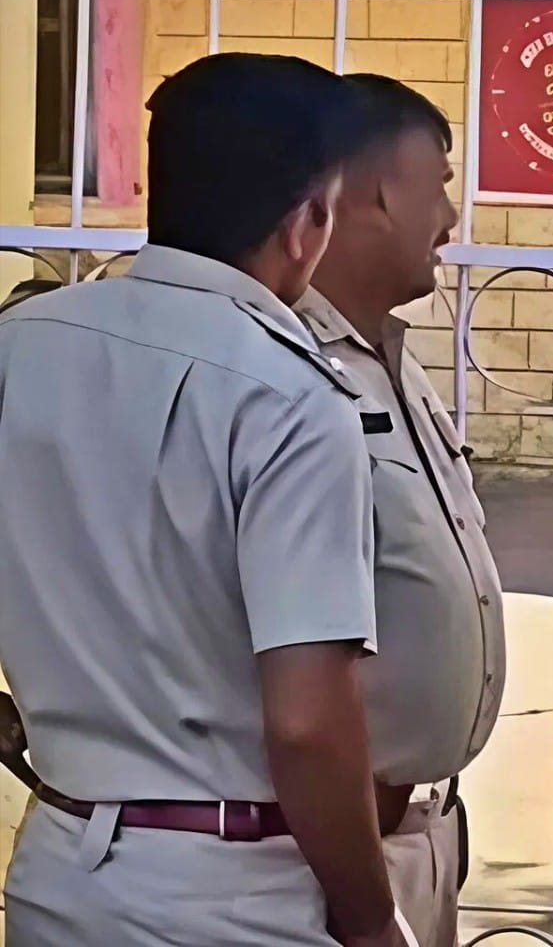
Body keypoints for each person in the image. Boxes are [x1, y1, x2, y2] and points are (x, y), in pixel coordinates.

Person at [0, 54, 404, 946]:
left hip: (59, 867)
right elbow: (307, 722)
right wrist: (373, 919)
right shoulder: (293, 397)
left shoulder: (20, 344)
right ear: (306, 223)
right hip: (231, 890)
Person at [294, 73, 506, 947]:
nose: (450, 220)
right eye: (440, 185)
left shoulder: (390, 356)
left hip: (424, 831)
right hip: (327, 854)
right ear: (373, 193)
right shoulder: (282, 369)